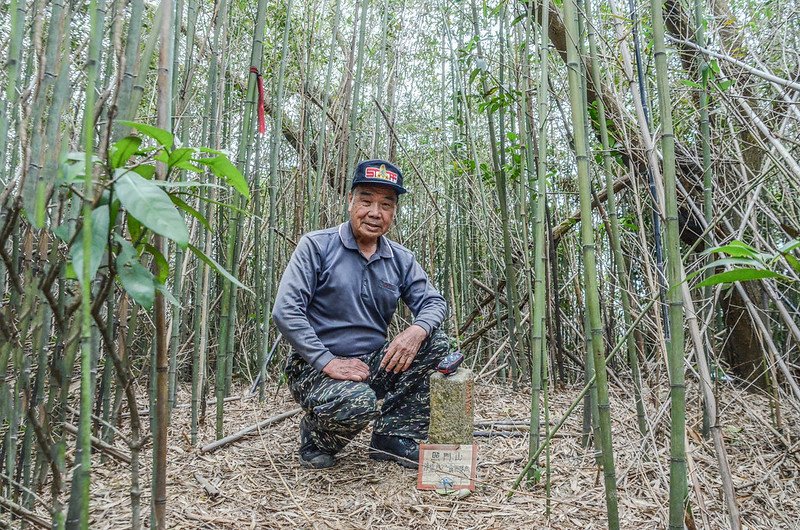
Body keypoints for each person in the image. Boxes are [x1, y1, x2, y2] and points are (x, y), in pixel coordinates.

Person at [272, 159, 449, 469]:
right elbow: (286, 311)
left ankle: (392, 437)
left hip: (371, 363)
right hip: (315, 366)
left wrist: (416, 330)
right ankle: (317, 437)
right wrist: (327, 361)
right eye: (366, 201)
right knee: (359, 401)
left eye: (385, 204)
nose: (374, 212)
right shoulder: (317, 246)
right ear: (350, 202)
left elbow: (434, 303)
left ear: (393, 212)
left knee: (436, 343)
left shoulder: (400, 258)